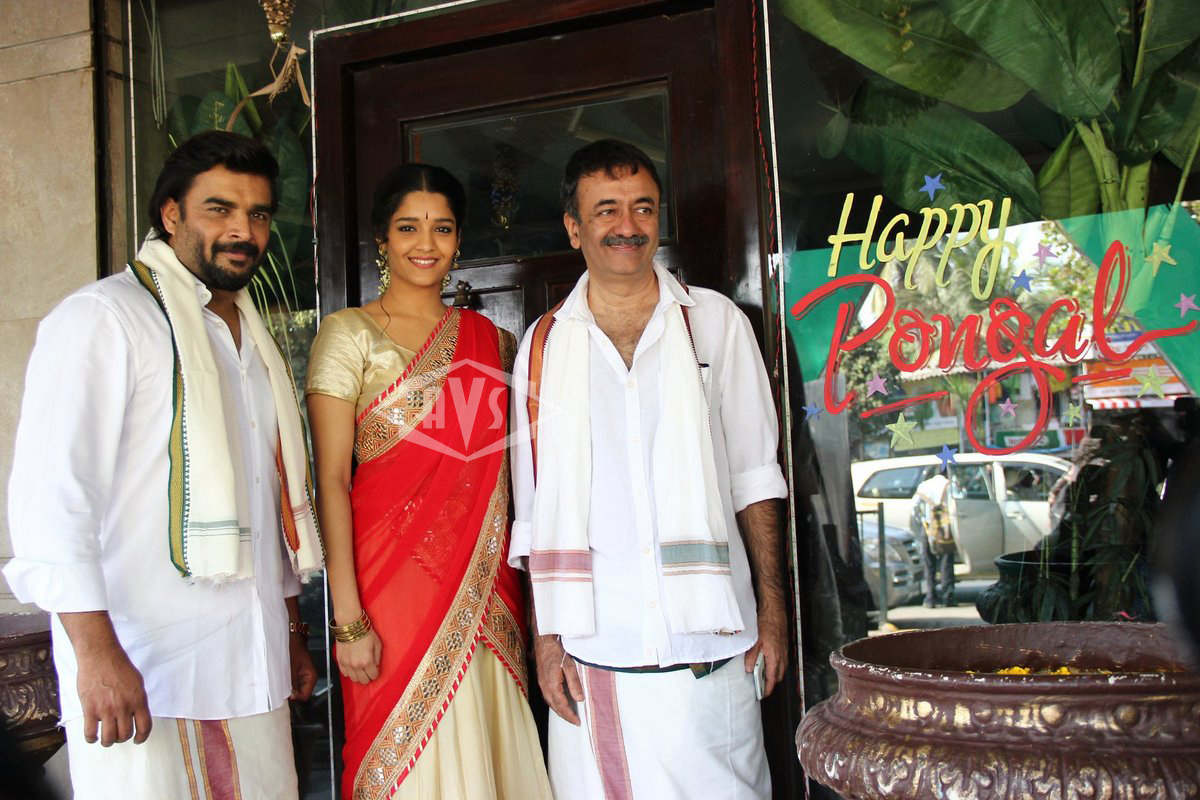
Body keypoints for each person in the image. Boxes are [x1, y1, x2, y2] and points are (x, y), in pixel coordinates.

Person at [3, 130, 324, 799]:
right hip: (146, 668)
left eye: (258, 214)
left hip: (250, 662)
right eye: (219, 209)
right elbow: (53, 500)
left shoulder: (251, 338)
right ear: (171, 214)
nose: (242, 231)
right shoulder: (104, 319)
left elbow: (264, 496)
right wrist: (95, 655)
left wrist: (291, 631)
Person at [509, 139, 790, 798]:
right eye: (606, 210)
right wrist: (546, 641)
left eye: (642, 207)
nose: (627, 225)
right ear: (574, 228)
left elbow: (755, 477)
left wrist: (774, 612)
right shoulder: (544, 345)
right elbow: (535, 507)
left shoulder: (715, 324)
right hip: (595, 655)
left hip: (711, 653)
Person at [306, 163, 552, 800]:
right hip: (388, 590)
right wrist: (347, 619)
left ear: (458, 239)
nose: (426, 243)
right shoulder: (349, 335)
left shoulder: (493, 343)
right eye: (408, 227)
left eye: (442, 228)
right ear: (382, 239)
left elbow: (510, 477)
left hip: (482, 585)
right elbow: (330, 480)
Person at [911, 471, 956, 607]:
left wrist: (920, 521)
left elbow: (914, 507)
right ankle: (947, 597)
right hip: (945, 529)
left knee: (929, 563)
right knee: (946, 562)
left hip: (928, 528)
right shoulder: (949, 485)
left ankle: (930, 598)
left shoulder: (923, 486)